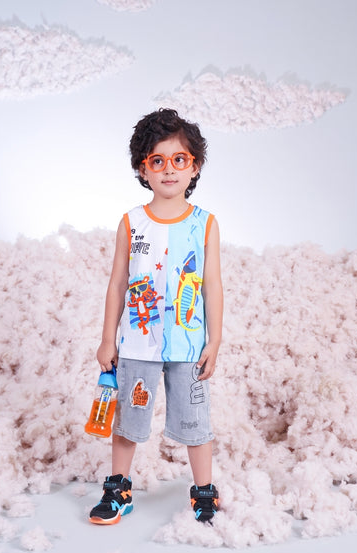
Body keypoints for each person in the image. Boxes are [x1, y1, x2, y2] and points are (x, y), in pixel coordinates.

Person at [89, 108, 223, 525]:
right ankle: (118, 488)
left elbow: (211, 285)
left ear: (194, 166)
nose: (169, 169)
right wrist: (107, 339)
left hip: (188, 346)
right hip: (137, 345)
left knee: (195, 421)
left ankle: (204, 491)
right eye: (157, 160)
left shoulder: (205, 224)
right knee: (127, 421)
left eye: (179, 159)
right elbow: (117, 284)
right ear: (142, 168)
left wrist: (215, 340)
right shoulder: (131, 223)